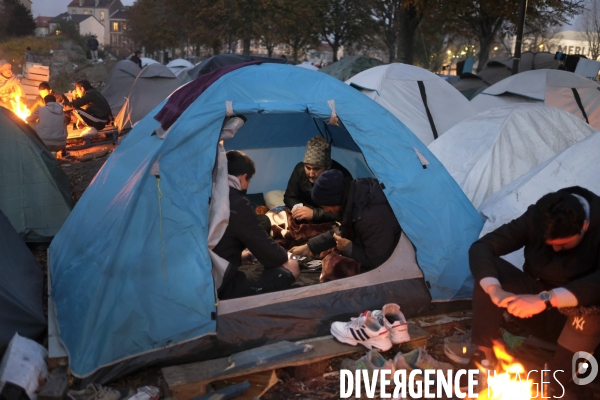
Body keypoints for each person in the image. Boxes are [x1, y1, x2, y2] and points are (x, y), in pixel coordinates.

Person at [469, 187, 600, 395]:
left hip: (579, 323)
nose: (556, 250)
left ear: (584, 226)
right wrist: (494, 290)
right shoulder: (538, 217)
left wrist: (546, 299)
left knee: (592, 307)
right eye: (550, 245)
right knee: (490, 270)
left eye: (563, 245)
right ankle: (484, 357)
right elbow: (482, 247)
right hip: (535, 310)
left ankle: (558, 380)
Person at [214, 150, 300, 300]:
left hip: (198, 276)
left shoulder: (208, 192)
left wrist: (239, 257)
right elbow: (269, 252)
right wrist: (285, 254)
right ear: (244, 177)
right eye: (248, 182)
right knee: (291, 266)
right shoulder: (236, 202)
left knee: (263, 220)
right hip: (218, 286)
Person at [290, 170, 401, 271]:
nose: (326, 211)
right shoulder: (354, 196)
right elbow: (342, 230)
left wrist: (348, 247)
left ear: (335, 200)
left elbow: (378, 263)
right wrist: (308, 247)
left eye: (325, 206)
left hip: (394, 263)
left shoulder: (371, 218)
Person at [265, 136, 352, 222]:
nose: (311, 174)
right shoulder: (300, 169)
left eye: (316, 169)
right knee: (270, 195)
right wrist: (299, 209)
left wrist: (314, 214)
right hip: (304, 206)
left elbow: (345, 213)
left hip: (325, 213)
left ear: (328, 167)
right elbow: (289, 197)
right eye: (308, 167)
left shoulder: (341, 177)